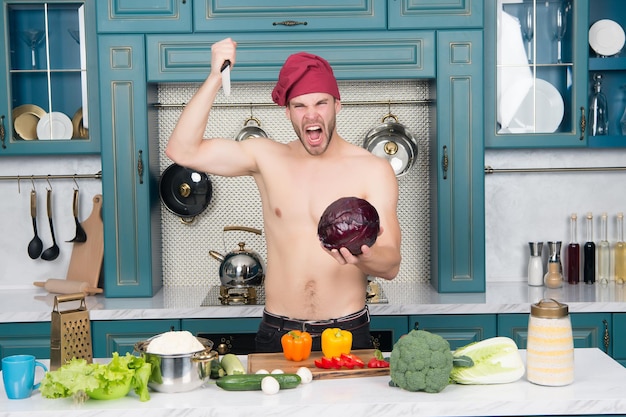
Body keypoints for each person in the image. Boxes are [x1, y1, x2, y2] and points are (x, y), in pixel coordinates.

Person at [165, 38, 402, 353]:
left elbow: (391, 265)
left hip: (347, 334)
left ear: (337, 106)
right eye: (299, 106)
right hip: (278, 333)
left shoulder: (373, 170)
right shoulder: (266, 158)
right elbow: (182, 150)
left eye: (321, 103)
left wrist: (364, 256)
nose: (311, 115)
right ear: (288, 113)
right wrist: (215, 76)